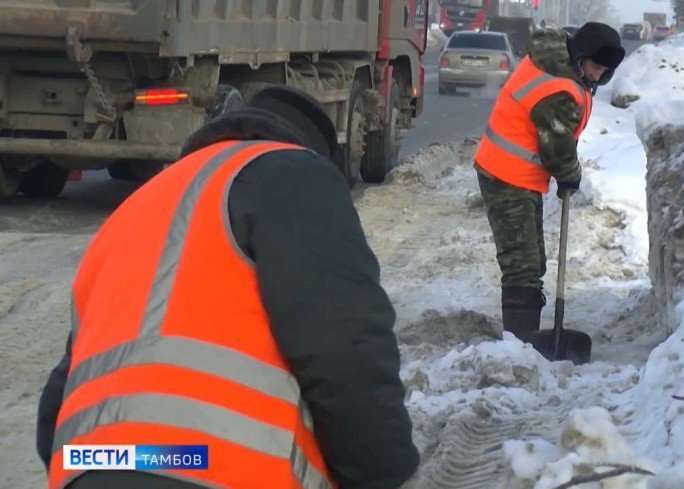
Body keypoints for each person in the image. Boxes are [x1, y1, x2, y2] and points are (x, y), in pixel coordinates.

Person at [36, 86, 420, 489]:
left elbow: (58, 398)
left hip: (88, 465)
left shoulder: (136, 208)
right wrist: (385, 473)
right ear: (308, 149)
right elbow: (342, 343)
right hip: (214, 468)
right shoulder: (291, 171)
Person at [473, 22, 625, 354]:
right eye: (595, 67)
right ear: (581, 56)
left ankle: (524, 338)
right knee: (522, 262)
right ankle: (518, 344)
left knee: (532, 258)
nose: (597, 76)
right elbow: (556, 147)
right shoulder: (560, 87)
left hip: (517, 173)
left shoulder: (556, 61)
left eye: (604, 72)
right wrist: (570, 175)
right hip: (506, 173)